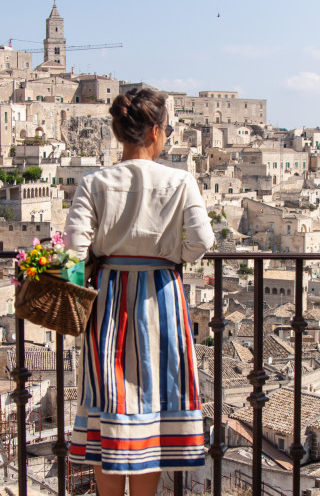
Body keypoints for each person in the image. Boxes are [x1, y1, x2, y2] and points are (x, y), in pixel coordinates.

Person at [64, 88, 214, 496]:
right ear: (155, 131)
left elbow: (73, 253)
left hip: (109, 302)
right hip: (161, 300)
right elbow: (202, 241)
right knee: (150, 411)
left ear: (119, 133)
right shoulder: (181, 180)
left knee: (110, 404)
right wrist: (170, 255)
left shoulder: (93, 182)